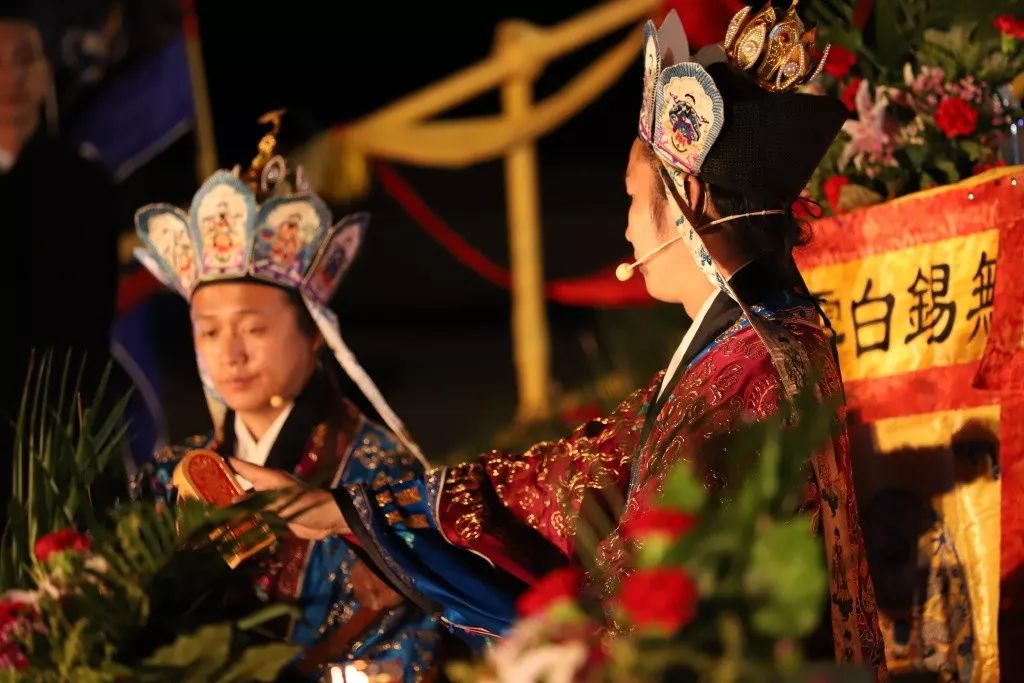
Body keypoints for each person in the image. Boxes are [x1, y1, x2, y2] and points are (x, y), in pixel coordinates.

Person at [232, 5, 888, 678]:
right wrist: (352, 510)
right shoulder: (767, 337)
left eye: (634, 199)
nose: (628, 227)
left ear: (687, 194)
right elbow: (579, 475)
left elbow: (652, 610)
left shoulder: (744, 376)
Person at [132, 114, 439, 680]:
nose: (230, 353)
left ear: (315, 331)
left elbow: (409, 648)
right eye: (209, 331)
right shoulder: (168, 476)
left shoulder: (378, 475)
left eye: (253, 328)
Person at [0, 2, 119, 524]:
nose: (9, 79)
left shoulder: (83, 183)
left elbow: (90, 322)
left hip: (53, 432)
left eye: (24, 59)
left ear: (48, 68)